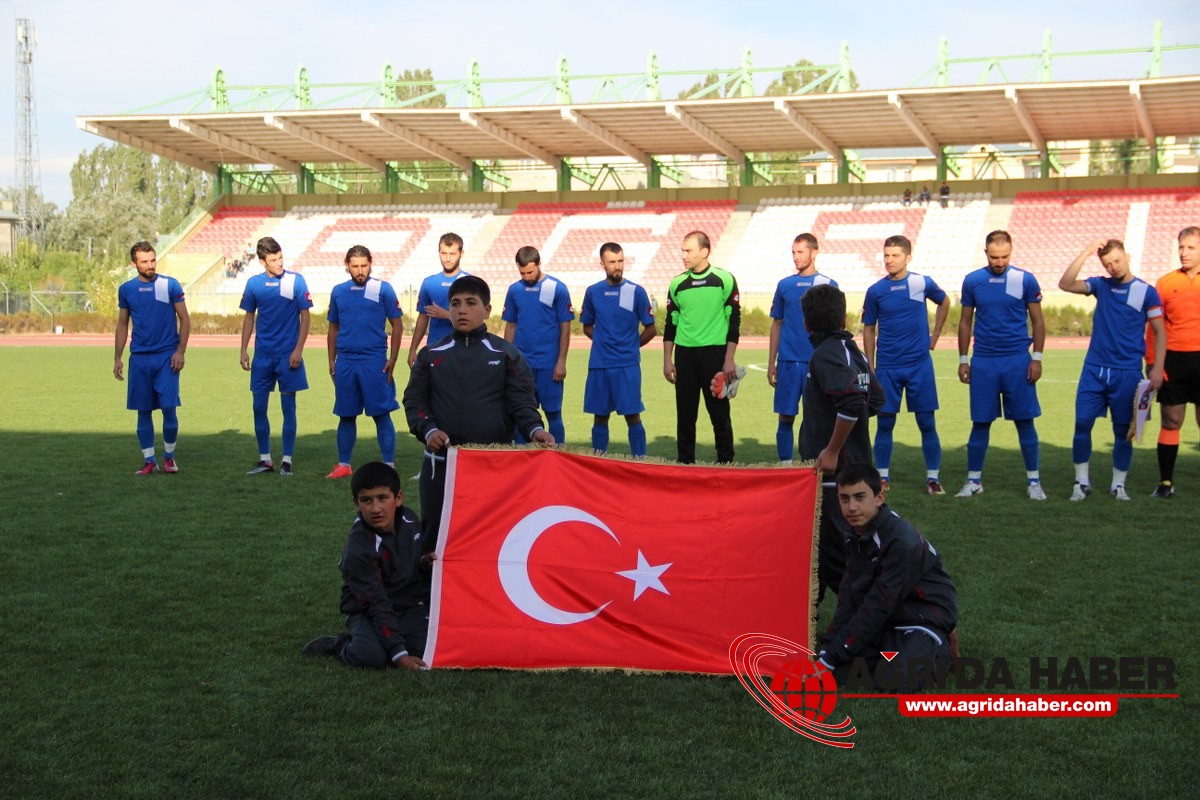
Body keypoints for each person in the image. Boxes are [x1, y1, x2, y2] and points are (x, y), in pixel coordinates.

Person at [403, 276, 554, 549]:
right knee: (436, 540)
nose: (461, 310)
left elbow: (522, 403)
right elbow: (415, 401)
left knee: (491, 540)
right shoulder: (430, 354)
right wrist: (429, 430)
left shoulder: (507, 353)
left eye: (471, 303)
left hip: (492, 464)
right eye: (455, 304)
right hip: (441, 464)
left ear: (487, 310)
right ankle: (431, 592)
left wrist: (535, 429)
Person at [817, 463, 957, 692]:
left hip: (922, 616)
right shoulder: (855, 532)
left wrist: (831, 657)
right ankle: (891, 650)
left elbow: (878, 604)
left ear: (879, 497)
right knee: (841, 672)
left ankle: (940, 648)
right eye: (844, 499)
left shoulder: (901, 541)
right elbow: (849, 596)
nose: (851, 507)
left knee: (899, 682)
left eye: (860, 497)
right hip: (890, 616)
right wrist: (828, 651)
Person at [1058, 239, 1165, 501]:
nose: (1113, 267)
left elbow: (1160, 331)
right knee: (1082, 424)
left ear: (1127, 256)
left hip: (1127, 372)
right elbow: (1066, 283)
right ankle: (1081, 483)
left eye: (1117, 261)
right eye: (1107, 264)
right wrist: (1086, 250)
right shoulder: (1100, 285)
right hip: (1094, 369)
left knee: (1123, 432)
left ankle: (1119, 486)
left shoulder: (1146, 292)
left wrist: (1157, 368)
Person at [302, 462, 435, 670]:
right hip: (367, 609)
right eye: (366, 500)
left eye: (383, 498)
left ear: (398, 498)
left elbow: (408, 560)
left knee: (427, 649)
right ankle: (340, 644)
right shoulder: (359, 547)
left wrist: (423, 562)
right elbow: (376, 602)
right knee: (369, 656)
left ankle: (395, 638)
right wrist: (400, 656)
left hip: (407, 605)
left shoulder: (409, 518)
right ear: (356, 503)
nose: (375, 509)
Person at [798, 284, 884, 599]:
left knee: (836, 562)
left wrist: (832, 449)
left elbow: (851, 404)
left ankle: (857, 627)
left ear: (806, 324)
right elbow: (875, 400)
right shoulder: (853, 351)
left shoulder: (825, 355)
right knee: (834, 559)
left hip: (836, 481)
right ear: (844, 319)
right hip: (856, 470)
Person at [956, 230, 1047, 499]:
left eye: (1005, 256)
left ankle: (1034, 482)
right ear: (986, 253)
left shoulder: (1025, 279)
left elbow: (1038, 321)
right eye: (994, 257)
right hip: (983, 361)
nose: (1000, 262)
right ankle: (974, 481)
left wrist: (1037, 358)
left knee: (1025, 421)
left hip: (1018, 360)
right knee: (980, 422)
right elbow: (965, 322)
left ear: (1011, 252)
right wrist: (963, 359)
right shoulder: (973, 281)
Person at [862, 235, 950, 494]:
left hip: (919, 365)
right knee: (885, 422)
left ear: (908, 257)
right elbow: (869, 329)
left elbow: (944, 302)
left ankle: (933, 478)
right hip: (887, 367)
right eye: (886, 255)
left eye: (895, 255)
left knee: (926, 422)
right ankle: (882, 476)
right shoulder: (876, 290)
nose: (889, 260)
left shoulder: (922, 283)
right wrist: (870, 364)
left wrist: (935, 335)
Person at [325, 245, 404, 479]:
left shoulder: (383, 289)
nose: (360, 271)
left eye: (364, 265)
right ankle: (344, 465)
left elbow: (397, 326)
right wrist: (332, 360)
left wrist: (393, 358)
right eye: (355, 266)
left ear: (371, 263)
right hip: (346, 362)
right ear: (346, 265)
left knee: (381, 413)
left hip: (374, 361)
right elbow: (333, 328)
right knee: (346, 414)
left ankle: (388, 465)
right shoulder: (338, 292)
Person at [663, 231, 741, 464]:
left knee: (720, 414)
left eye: (688, 250)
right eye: (683, 251)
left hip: (715, 356)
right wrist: (668, 359)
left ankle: (726, 463)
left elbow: (734, 320)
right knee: (685, 416)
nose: (683, 255)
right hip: (685, 356)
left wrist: (729, 359)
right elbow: (671, 324)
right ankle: (685, 464)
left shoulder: (724, 279)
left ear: (704, 251)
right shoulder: (677, 283)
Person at [113, 241, 190, 476]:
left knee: (169, 407)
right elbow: (123, 323)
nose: (150, 265)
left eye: (152, 260)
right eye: (144, 261)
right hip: (140, 359)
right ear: (134, 263)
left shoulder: (169, 285)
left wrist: (180, 351)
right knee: (143, 411)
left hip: (167, 357)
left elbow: (185, 320)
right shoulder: (126, 290)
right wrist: (118, 357)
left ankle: (169, 457)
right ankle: (149, 460)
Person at [239, 236, 313, 476]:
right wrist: (243, 349)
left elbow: (306, 317)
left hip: (288, 357)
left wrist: (298, 350)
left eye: (281, 257)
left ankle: (287, 460)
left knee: (288, 408)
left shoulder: (296, 280)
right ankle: (265, 459)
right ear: (262, 261)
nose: (279, 263)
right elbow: (249, 317)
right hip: (262, 357)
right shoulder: (253, 284)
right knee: (258, 406)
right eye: (273, 259)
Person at [580, 242, 657, 457]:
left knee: (633, 415)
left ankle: (640, 461)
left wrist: (632, 346)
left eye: (620, 261)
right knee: (600, 416)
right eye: (612, 262)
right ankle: (598, 461)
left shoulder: (636, 291)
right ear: (602, 264)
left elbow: (651, 329)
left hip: (627, 365)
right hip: (600, 364)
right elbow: (587, 325)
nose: (617, 266)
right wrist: (603, 342)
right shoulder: (593, 292)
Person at [768, 233, 836, 464]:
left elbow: (836, 325)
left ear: (814, 252)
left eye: (801, 252)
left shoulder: (827, 284)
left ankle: (813, 466)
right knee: (785, 417)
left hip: (816, 364)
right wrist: (772, 363)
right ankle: (785, 466)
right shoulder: (784, 285)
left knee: (816, 419)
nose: (796, 257)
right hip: (787, 363)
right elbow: (776, 324)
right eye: (793, 253)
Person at [1147, 226, 1200, 498]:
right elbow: (1154, 328)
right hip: (1174, 360)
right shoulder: (1165, 283)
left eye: (1191, 247)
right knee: (1171, 420)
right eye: (1181, 247)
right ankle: (1165, 483)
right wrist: (1153, 362)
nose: (1184, 252)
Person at [501, 246, 573, 445]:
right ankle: (523, 460)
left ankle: (557, 459)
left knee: (553, 414)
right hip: (522, 366)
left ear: (539, 264)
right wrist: (508, 359)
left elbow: (565, 327)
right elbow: (511, 325)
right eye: (522, 272)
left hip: (549, 364)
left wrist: (561, 361)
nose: (526, 276)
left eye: (530, 271)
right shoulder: (515, 290)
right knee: (520, 414)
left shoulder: (557, 288)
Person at [406, 232, 470, 368]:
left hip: (463, 350)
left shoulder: (470, 282)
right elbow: (423, 318)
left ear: (461, 254)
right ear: (438, 253)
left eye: (452, 254)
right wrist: (412, 349)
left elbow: (476, 318)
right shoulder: (429, 283)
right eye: (444, 253)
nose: (447, 259)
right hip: (435, 350)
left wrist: (447, 315)